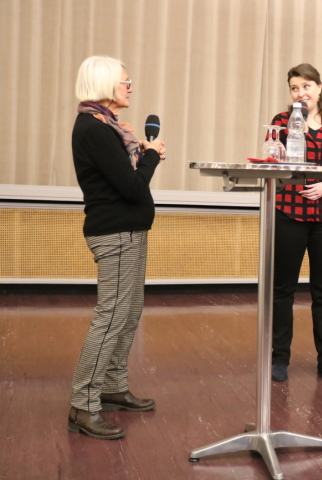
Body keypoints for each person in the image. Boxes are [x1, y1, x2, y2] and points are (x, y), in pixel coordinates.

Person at [68, 56, 166, 439]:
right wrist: (153, 155)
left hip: (130, 231)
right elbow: (132, 187)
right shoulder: (94, 129)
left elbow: (124, 179)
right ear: (106, 84)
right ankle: (83, 404)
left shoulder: (108, 127)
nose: (130, 87)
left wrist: (140, 153)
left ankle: (112, 385)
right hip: (115, 233)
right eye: (126, 81)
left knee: (129, 311)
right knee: (111, 316)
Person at [268, 63, 322, 385]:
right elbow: (272, 163)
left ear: (319, 88)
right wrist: (290, 139)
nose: (301, 93)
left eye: (306, 86)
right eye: (294, 88)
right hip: (289, 212)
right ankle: (279, 358)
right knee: (283, 290)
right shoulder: (281, 122)